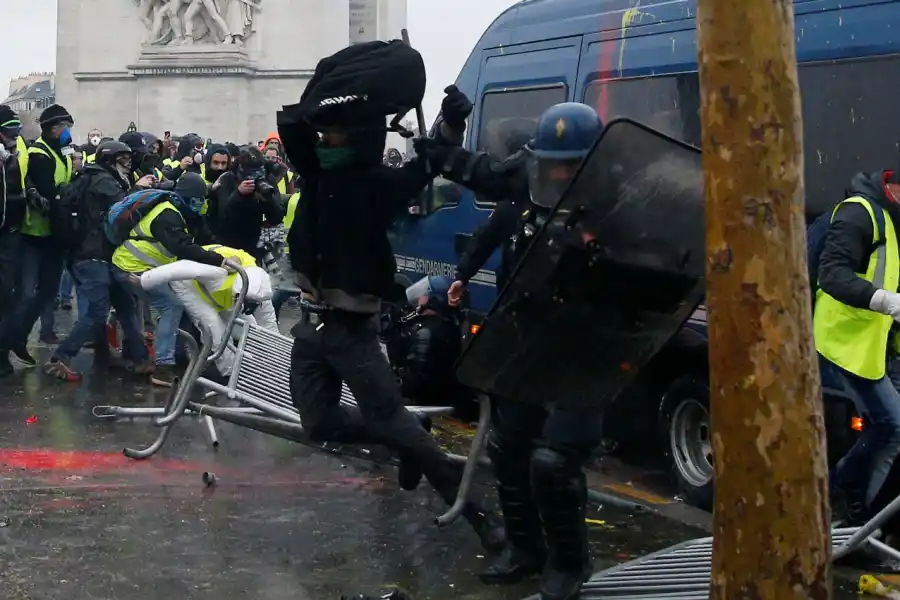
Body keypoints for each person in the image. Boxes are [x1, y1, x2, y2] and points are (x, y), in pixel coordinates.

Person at [278, 103, 505, 555]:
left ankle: (479, 515)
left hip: (351, 329)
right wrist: (331, 97)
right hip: (309, 326)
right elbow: (292, 127)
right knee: (318, 422)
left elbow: (430, 161)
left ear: (360, 137)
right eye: (323, 132)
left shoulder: (379, 186)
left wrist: (452, 125)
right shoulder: (316, 171)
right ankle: (409, 430)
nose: (324, 138)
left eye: (335, 133)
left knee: (393, 423)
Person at [418, 91, 604, 600]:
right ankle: (526, 549)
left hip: (585, 352)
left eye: (570, 168)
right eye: (552, 167)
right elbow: (483, 193)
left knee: (556, 461)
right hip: (525, 341)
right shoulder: (528, 187)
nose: (558, 178)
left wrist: (592, 252)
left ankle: (570, 564)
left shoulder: (618, 207)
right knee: (509, 449)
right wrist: (462, 273)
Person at [817, 167, 900, 528]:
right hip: (844, 341)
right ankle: (842, 490)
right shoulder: (860, 212)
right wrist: (887, 302)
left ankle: (860, 523)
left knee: (889, 432)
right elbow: (832, 274)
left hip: (874, 345)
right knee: (891, 426)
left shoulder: (891, 219)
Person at [43, 140, 155, 381]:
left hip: (102, 254)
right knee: (97, 309)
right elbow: (122, 209)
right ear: (109, 160)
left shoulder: (103, 177)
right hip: (91, 255)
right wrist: (138, 188)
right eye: (122, 159)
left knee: (125, 305)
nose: (128, 163)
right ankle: (60, 358)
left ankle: (139, 359)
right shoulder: (103, 180)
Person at [111, 172, 226, 386]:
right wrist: (217, 260)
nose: (199, 205)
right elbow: (180, 245)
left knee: (135, 311)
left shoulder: (175, 211)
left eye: (202, 200)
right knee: (170, 306)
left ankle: (142, 356)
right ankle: (163, 365)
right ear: (184, 198)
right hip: (131, 267)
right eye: (195, 200)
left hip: (139, 268)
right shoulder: (167, 215)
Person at [0, 104, 75, 363]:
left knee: (47, 292)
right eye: (64, 128)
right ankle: (6, 343)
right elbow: (51, 193)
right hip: (33, 232)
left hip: (53, 233)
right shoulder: (39, 154)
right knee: (26, 293)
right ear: (52, 129)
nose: (68, 132)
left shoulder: (62, 152)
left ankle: (18, 339)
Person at [140, 244, 276, 378]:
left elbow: (269, 322)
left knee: (249, 327)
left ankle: (255, 364)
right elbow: (180, 268)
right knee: (213, 327)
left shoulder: (261, 288)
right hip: (187, 284)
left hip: (217, 291)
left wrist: (276, 356)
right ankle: (230, 373)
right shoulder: (219, 273)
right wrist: (145, 279)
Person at [0, 106, 29, 377]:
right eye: (9, 131)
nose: (14, 135)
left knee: (7, 297)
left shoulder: (13, 155)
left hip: (10, 233)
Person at [214, 146, 284, 257]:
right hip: (228, 243)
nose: (255, 178)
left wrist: (267, 201)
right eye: (251, 174)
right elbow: (222, 216)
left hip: (254, 242)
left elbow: (277, 218)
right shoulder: (228, 178)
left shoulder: (267, 179)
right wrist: (239, 194)